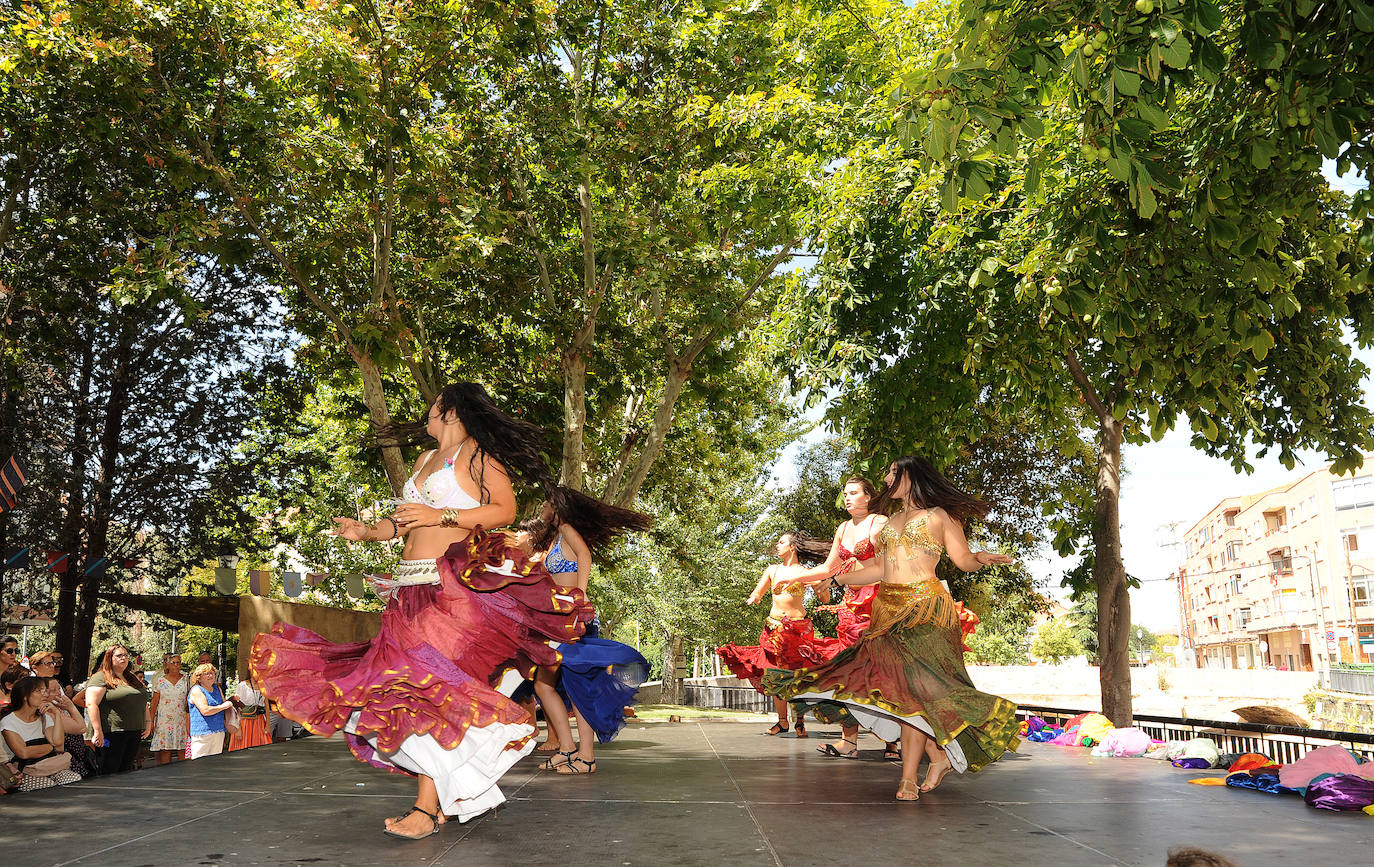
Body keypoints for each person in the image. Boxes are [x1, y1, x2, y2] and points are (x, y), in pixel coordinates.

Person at [250, 382, 649, 840]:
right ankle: (434, 804)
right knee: (401, 690)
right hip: (407, 590)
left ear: (452, 411)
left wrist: (441, 518)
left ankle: (426, 809)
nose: (428, 410)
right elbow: (404, 520)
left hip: (449, 592)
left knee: (426, 690)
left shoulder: (478, 456)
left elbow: (504, 510)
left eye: (435, 405)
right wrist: (367, 532)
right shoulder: (424, 460)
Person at [764, 455, 1020, 802]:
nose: (885, 479)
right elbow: (880, 570)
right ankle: (936, 759)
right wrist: (840, 576)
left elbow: (962, 559)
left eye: (891, 473)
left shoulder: (939, 516)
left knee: (916, 690)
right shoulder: (892, 522)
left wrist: (981, 558)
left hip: (926, 610)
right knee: (903, 691)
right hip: (887, 611)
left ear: (910, 476)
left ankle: (908, 779)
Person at [527, 502, 652, 776]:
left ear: (558, 506)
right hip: (555, 622)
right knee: (544, 685)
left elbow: (584, 556)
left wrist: (580, 594)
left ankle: (586, 756)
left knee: (577, 686)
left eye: (547, 502)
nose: (542, 506)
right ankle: (567, 747)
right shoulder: (552, 539)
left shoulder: (568, 529)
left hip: (573, 619)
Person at [716, 531, 844, 737]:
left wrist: (819, 588)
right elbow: (759, 591)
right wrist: (755, 597)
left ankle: (800, 722)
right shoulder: (772, 570)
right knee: (774, 675)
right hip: (772, 629)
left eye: (781, 542)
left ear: (792, 547)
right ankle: (782, 721)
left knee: (796, 676)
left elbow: (826, 598)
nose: (777, 545)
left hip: (796, 631)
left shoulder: (805, 572)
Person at [1, 676, 83, 791]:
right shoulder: (9, 722)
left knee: (74, 779)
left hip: (50, 766)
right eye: (39, 691)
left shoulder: (44, 717)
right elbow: (23, 753)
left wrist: (56, 714)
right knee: (45, 787)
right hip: (26, 770)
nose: (44, 694)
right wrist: (50, 748)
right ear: (25, 696)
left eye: (44, 690)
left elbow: (58, 744)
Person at [85, 644, 151, 775]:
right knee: (109, 770)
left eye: (126, 655)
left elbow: (142, 702)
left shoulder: (131, 677)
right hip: (112, 732)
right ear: (109, 658)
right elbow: (91, 704)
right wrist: (97, 731)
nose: (124, 658)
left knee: (126, 770)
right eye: (119, 655)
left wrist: (148, 723)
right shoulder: (100, 677)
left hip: (134, 730)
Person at [32, 657, 97, 778]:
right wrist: (71, 707)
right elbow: (82, 728)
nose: (58, 693)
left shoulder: (57, 710)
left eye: (59, 689)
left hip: (75, 756)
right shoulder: (49, 712)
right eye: (53, 690)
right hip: (66, 760)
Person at [149, 653, 190, 765]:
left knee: (183, 749)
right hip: (164, 721)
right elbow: (154, 703)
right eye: (173, 663)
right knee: (165, 749)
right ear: (167, 665)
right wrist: (150, 721)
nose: (176, 665)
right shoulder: (160, 681)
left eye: (178, 662)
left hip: (181, 720)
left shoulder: (186, 680)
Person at [187, 663, 234, 758]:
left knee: (215, 765)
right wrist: (223, 706)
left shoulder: (217, 688)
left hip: (218, 731)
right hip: (202, 734)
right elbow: (205, 710)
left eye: (212, 673)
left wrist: (233, 700)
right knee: (199, 765)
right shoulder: (196, 690)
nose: (210, 676)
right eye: (206, 673)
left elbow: (225, 704)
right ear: (199, 677)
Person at [228, 671, 272, 751]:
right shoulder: (242, 686)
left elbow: (266, 707)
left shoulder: (264, 686)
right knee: (242, 748)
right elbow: (236, 707)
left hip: (260, 722)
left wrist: (268, 725)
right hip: (244, 722)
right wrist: (238, 729)